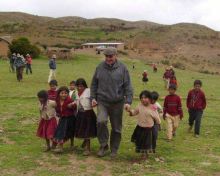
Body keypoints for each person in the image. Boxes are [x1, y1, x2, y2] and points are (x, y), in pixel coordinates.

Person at [91, 47, 133, 158]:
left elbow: (128, 86)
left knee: (116, 127)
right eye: (106, 56)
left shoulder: (123, 68)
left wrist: (128, 101)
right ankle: (103, 145)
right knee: (101, 121)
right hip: (102, 101)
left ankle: (114, 149)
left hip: (117, 102)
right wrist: (93, 98)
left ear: (116, 55)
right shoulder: (99, 67)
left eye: (110, 56)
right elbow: (94, 84)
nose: (108, 58)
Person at [127, 90, 161, 159]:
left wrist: (158, 125)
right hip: (140, 127)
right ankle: (143, 153)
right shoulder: (139, 106)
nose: (143, 99)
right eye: (141, 98)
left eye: (145, 98)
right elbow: (133, 113)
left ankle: (145, 154)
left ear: (149, 98)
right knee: (140, 141)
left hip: (149, 129)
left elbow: (157, 118)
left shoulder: (153, 108)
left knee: (147, 142)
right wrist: (130, 111)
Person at [74, 78, 97, 156]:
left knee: (88, 131)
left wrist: (94, 102)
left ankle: (88, 149)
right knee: (83, 129)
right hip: (80, 114)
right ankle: (85, 142)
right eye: (78, 86)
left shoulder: (89, 91)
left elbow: (94, 99)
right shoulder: (76, 93)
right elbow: (77, 101)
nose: (79, 88)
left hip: (88, 114)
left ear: (84, 86)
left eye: (81, 86)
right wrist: (73, 104)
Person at [53, 86, 76, 153]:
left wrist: (72, 105)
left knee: (70, 132)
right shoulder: (57, 101)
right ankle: (60, 146)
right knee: (61, 132)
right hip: (62, 118)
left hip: (70, 119)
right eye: (62, 93)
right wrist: (58, 113)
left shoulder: (69, 100)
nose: (64, 95)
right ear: (59, 93)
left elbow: (75, 107)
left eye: (65, 93)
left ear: (68, 94)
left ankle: (71, 145)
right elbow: (57, 109)